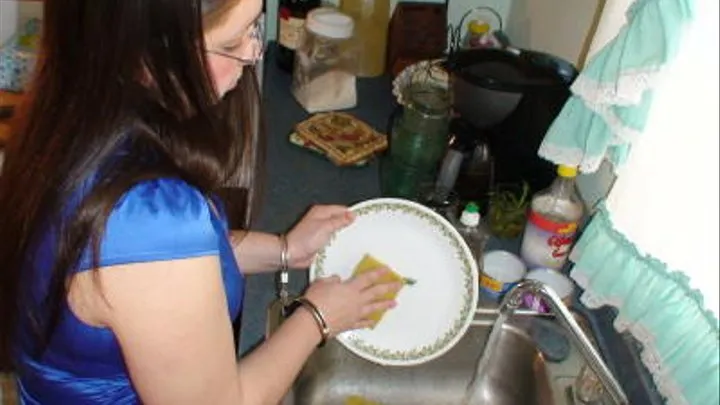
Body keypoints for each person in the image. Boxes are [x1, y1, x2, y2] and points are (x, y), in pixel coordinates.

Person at [0, 0, 401, 404]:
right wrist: (317, 316)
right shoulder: (147, 220)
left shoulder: (74, 114)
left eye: (254, 27)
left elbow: (166, 265)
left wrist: (285, 249)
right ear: (148, 53)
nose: (252, 53)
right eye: (231, 42)